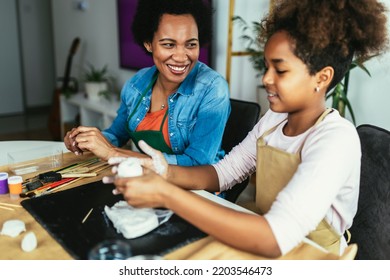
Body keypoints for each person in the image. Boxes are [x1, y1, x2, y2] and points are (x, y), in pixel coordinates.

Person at [105, 0, 388, 258]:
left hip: (310, 257)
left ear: (322, 77)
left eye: (280, 70)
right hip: (264, 241)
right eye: (267, 67)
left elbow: (276, 236)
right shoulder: (273, 122)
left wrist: (166, 193)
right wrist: (164, 171)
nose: (266, 79)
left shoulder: (335, 138)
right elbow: (222, 174)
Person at [63, 0, 230, 166]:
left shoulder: (212, 88)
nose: (181, 57)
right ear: (148, 44)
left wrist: (114, 154)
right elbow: (117, 134)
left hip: (198, 190)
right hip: (151, 181)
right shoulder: (137, 84)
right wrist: (89, 140)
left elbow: (198, 163)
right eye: (169, 45)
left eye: (191, 44)